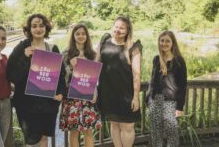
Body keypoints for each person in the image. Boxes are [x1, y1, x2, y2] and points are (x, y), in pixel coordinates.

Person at [6, 13, 66, 147]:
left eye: (41, 25)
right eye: (34, 26)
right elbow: (11, 74)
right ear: (29, 29)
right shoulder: (22, 48)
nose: (38, 29)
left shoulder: (53, 49)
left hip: (48, 104)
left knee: (44, 140)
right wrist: (24, 58)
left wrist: (61, 92)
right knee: (32, 142)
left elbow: (61, 75)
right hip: (27, 105)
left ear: (46, 28)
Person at [97, 16, 142, 147]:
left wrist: (135, 97)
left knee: (127, 127)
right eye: (116, 26)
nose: (118, 30)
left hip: (126, 95)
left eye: (122, 28)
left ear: (127, 31)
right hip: (107, 92)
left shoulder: (133, 47)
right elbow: (95, 63)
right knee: (114, 124)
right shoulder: (104, 42)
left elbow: (137, 75)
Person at [59, 24, 102, 147]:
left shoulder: (92, 54)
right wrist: (72, 68)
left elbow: (95, 77)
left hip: (88, 97)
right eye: (78, 33)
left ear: (87, 36)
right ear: (73, 36)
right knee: (74, 132)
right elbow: (62, 77)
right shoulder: (66, 53)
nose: (81, 36)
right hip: (71, 96)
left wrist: (95, 92)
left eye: (83, 34)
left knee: (88, 131)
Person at [146, 30, 187, 146]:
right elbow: (152, 79)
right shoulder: (156, 59)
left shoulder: (179, 61)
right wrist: (148, 98)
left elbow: (183, 85)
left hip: (170, 102)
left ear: (173, 43)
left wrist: (180, 107)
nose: (164, 43)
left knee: (172, 131)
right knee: (155, 132)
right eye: (162, 41)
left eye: (167, 41)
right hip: (155, 101)